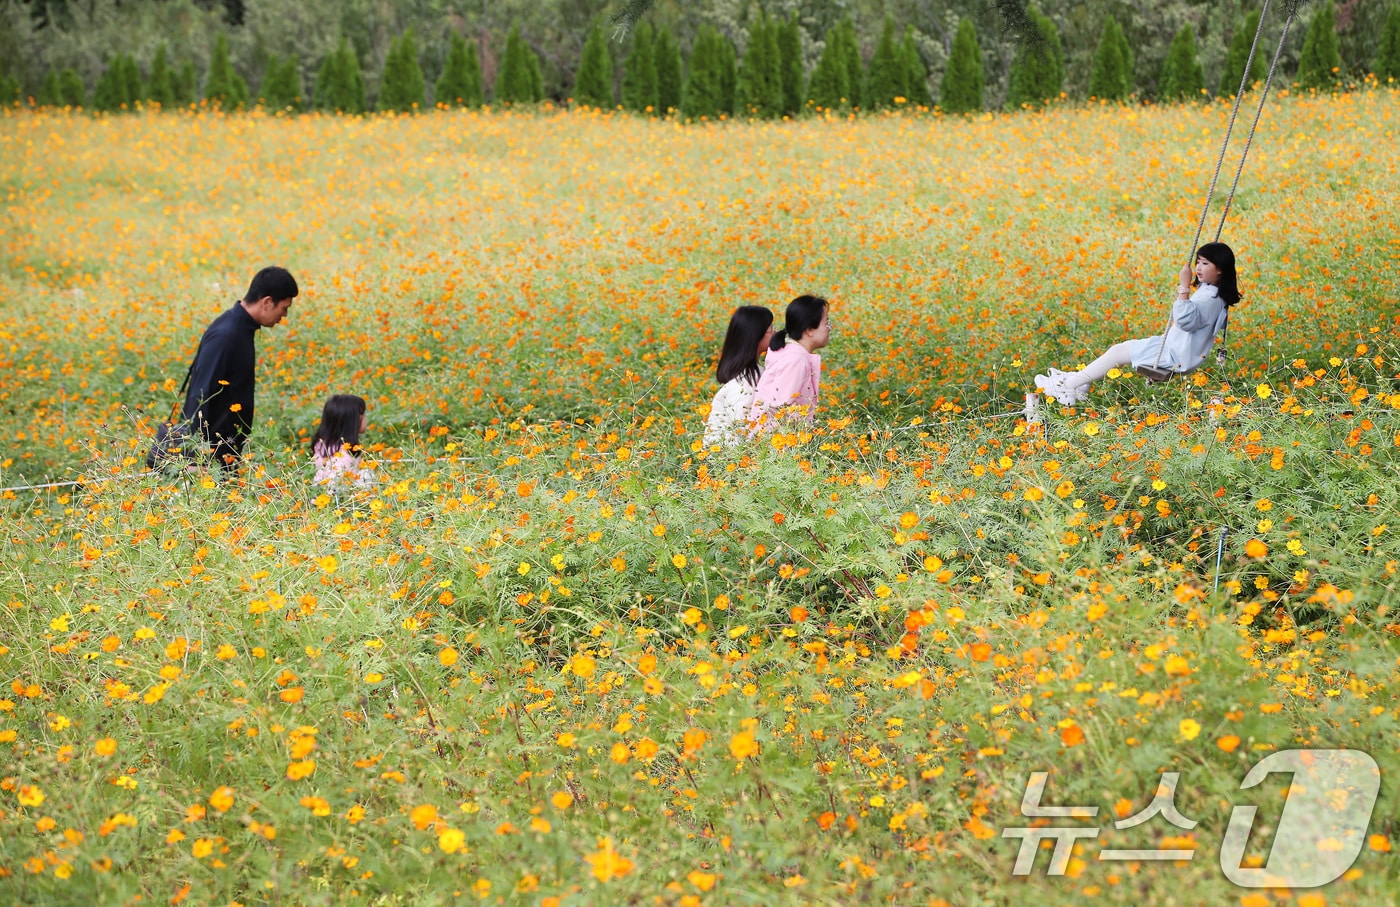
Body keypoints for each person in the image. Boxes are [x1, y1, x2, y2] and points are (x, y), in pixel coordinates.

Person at [1035, 243, 1239, 404]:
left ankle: (1068, 386)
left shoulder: (1209, 299)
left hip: (1176, 354)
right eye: (1198, 262)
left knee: (1117, 353)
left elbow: (1185, 320)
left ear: (1220, 269)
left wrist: (1184, 287)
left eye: (1205, 264)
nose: (1198, 268)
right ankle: (1079, 383)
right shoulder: (1214, 292)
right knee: (1119, 351)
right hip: (1176, 348)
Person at [179, 266, 299, 472]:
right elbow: (201, 393)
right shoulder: (228, 334)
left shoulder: (240, 328)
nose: (284, 315)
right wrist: (193, 459)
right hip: (208, 458)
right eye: (284, 308)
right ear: (267, 302)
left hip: (222, 450)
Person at [749, 295, 830, 433]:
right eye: (826, 323)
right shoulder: (796, 360)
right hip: (776, 446)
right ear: (809, 330)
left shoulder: (792, 354)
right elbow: (778, 409)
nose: (829, 328)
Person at [702, 306, 774, 447]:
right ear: (756, 335)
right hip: (732, 461)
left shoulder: (747, 375)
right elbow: (742, 431)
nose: (776, 334)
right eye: (771, 329)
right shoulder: (745, 383)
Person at [311, 394, 376, 491]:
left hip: (321, 494)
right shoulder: (345, 455)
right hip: (340, 499)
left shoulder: (321, 445)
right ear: (354, 420)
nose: (366, 419)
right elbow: (333, 486)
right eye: (363, 414)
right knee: (367, 474)